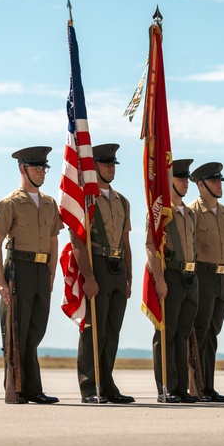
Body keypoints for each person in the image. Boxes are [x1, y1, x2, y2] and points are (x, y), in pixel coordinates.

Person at [0, 146, 63, 404]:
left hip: (42, 271)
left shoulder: (50, 203)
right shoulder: (9, 203)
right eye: (37, 168)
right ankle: (16, 388)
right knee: (15, 332)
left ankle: (32, 388)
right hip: (18, 268)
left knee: (35, 330)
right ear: (23, 169)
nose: (42, 173)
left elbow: (54, 240)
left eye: (44, 168)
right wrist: (0, 281)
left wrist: (52, 273)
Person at [71, 143, 135, 404]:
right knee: (92, 330)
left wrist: (129, 277)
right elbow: (77, 240)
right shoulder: (86, 201)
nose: (111, 168)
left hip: (117, 268)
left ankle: (107, 385)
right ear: (93, 166)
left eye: (113, 164)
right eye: (106, 163)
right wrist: (88, 277)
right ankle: (90, 387)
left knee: (112, 331)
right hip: (96, 265)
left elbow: (126, 242)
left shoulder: (122, 201)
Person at [146, 158, 200, 403]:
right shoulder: (160, 213)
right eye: (180, 178)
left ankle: (180, 389)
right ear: (169, 181)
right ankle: (165, 387)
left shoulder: (188, 213)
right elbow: (150, 245)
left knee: (182, 334)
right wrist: (159, 280)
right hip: (171, 276)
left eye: (187, 178)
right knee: (165, 334)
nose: (185, 183)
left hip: (190, 277)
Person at [189, 162, 224, 403]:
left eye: (220, 181)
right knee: (199, 333)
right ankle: (197, 388)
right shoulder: (191, 212)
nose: (219, 184)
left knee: (213, 334)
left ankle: (209, 387)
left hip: (221, 279)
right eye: (214, 181)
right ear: (201, 184)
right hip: (202, 276)